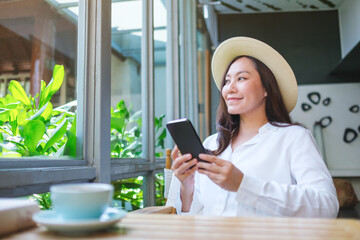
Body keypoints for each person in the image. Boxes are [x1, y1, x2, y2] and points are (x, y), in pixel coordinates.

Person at [166, 37, 339, 218]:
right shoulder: (212, 143)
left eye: (241, 78)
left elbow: (326, 206)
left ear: (266, 89)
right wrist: (187, 186)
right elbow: (196, 215)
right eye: (227, 81)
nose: (229, 88)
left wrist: (243, 185)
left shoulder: (294, 138)